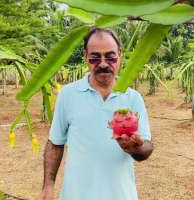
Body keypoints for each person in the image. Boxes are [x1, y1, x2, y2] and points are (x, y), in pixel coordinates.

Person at [37, 28, 153, 200]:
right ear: (86, 56)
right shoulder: (68, 94)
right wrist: (48, 187)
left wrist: (136, 148)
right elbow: (55, 144)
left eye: (110, 56)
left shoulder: (132, 98)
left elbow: (146, 147)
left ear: (120, 54)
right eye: (95, 57)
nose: (103, 64)